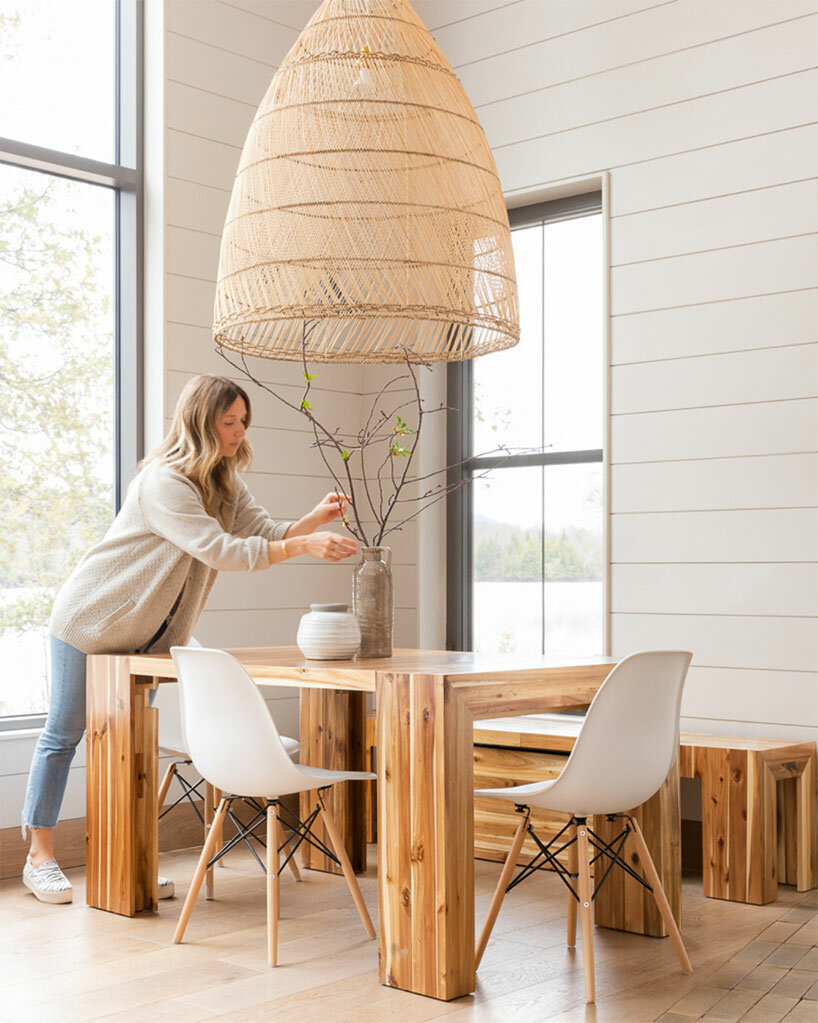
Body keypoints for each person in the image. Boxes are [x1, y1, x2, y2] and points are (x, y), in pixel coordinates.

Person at [21, 374, 357, 904]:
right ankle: (39, 856)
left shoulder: (225, 480)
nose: (239, 431)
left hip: (146, 641)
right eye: (229, 421)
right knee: (63, 735)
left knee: (132, 747)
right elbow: (222, 551)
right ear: (202, 421)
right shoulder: (164, 482)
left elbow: (262, 532)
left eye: (244, 421)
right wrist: (305, 546)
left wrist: (310, 523)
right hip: (90, 622)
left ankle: (123, 858)